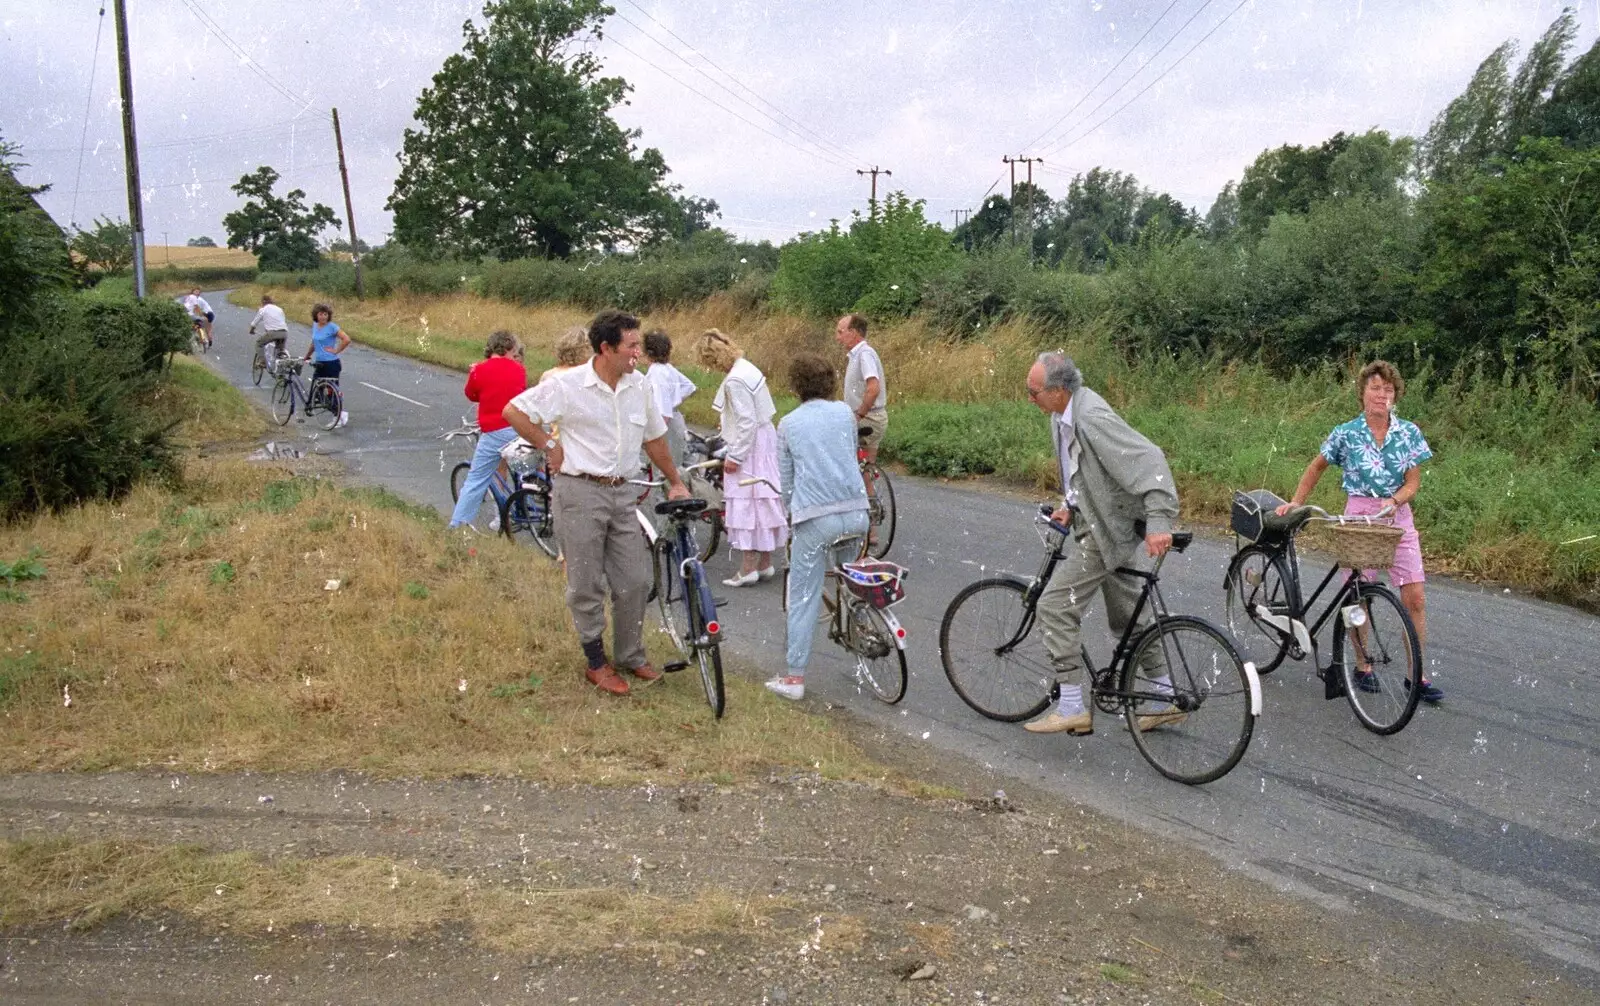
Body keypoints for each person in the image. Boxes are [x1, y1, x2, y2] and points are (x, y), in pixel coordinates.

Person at [501, 309, 689, 698]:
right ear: (606, 348)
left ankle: (630, 654)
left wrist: (674, 481)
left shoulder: (639, 387)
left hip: (622, 493)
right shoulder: (569, 385)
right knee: (585, 583)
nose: (638, 353)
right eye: (631, 346)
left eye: (639, 344)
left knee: (635, 580)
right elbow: (514, 411)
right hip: (579, 491)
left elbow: (654, 438)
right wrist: (549, 444)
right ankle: (595, 662)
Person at [1022, 351, 1184, 736]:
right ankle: (1165, 697)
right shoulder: (1062, 417)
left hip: (1105, 533)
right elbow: (1086, 472)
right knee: (1129, 615)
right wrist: (1069, 505)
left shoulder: (1090, 417)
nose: (1030, 399)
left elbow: (1149, 459)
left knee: (1054, 605)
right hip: (1107, 525)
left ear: (1060, 390)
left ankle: (1073, 706)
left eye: (1034, 392)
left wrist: (1160, 519)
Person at [1277, 360, 1442, 703]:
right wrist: (1296, 502)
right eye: (1375, 388)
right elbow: (1317, 466)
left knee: (1415, 598)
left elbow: (1413, 481)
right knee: (1358, 594)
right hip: (1359, 517)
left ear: (1395, 395)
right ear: (1363, 392)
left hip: (1396, 515)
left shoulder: (1407, 432)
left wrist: (1396, 500)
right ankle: (1362, 665)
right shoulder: (1346, 433)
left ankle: (1418, 676)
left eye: (1388, 389)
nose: (1381, 395)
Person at [765, 354, 871, 701]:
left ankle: (794, 677)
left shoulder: (789, 424)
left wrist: (791, 514)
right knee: (852, 579)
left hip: (816, 517)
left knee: (803, 595)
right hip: (856, 512)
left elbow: (788, 481)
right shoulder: (844, 413)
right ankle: (862, 636)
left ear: (796, 386)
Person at [695, 329, 788, 587]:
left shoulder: (735, 380)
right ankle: (765, 562)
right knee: (764, 497)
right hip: (763, 438)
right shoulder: (747, 367)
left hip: (751, 445)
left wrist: (735, 455)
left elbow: (746, 421)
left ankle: (748, 567)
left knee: (748, 500)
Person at [447, 330, 528, 530]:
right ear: (509, 348)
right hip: (518, 428)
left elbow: (472, 394)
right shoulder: (519, 369)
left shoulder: (480, 370)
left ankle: (457, 524)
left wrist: (474, 374)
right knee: (524, 470)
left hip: (493, 430)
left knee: (476, 479)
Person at [643, 329, 697, 467]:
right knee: (680, 465)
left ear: (648, 353)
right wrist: (675, 400)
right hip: (676, 419)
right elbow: (689, 386)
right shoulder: (667, 368)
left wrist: (653, 438)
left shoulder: (656, 373)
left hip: (667, 427)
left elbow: (663, 412)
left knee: (666, 471)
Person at [303, 302, 351, 428]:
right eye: (320, 314)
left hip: (331, 364)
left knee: (331, 391)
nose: (323, 317)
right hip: (320, 363)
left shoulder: (332, 327)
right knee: (317, 391)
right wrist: (307, 355)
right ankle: (339, 413)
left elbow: (346, 339)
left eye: (325, 314)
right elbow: (314, 343)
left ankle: (338, 416)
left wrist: (336, 350)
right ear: (316, 315)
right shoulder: (315, 326)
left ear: (328, 316)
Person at [247, 294, 289, 368]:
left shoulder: (263, 309)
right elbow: (282, 321)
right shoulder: (279, 309)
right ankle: (280, 369)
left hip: (273, 333)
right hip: (284, 333)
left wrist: (251, 330)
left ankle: (262, 361)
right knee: (279, 350)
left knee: (259, 344)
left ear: (263, 302)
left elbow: (254, 323)